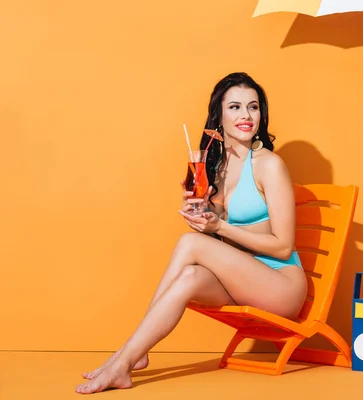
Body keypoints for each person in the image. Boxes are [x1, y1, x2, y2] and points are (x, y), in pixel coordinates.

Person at [76, 72, 307, 394]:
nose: (246, 116)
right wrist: (203, 219)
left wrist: (217, 226)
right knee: (189, 276)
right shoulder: (217, 166)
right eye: (235, 107)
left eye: (253, 107)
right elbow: (222, 243)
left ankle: (126, 357)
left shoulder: (269, 164)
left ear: (261, 114)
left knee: (189, 244)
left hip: (281, 284)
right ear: (219, 116)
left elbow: (283, 248)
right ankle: (129, 358)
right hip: (244, 278)